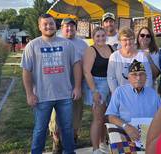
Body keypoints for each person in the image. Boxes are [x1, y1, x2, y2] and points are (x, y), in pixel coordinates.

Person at [20, 14, 79, 154]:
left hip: (65, 95)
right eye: (45, 24)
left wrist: (77, 87)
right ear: (39, 26)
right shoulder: (33, 45)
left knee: (67, 128)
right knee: (40, 130)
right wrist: (29, 94)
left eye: (51, 23)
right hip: (41, 96)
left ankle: (69, 152)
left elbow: (76, 65)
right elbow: (26, 71)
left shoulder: (67, 44)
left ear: (55, 25)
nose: (49, 26)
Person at [48, 18, 88, 153]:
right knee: (56, 118)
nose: (69, 29)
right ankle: (57, 142)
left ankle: (72, 140)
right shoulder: (54, 41)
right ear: (62, 28)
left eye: (72, 27)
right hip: (57, 88)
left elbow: (87, 65)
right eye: (66, 27)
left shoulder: (83, 44)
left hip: (77, 86)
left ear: (75, 28)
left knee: (75, 117)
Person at [106, 59, 161, 142]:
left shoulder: (153, 93)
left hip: (150, 135)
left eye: (141, 74)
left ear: (146, 77)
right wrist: (126, 126)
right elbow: (111, 116)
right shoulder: (120, 92)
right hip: (126, 134)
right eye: (134, 74)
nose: (138, 77)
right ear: (128, 77)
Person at [83, 27, 114, 154]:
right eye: (97, 36)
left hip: (110, 83)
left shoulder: (111, 48)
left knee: (107, 118)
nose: (100, 38)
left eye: (102, 35)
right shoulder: (91, 50)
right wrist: (94, 91)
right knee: (98, 118)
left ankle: (103, 143)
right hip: (98, 84)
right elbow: (86, 71)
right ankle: (95, 149)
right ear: (93, 37)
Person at [107, 27, 153, 93]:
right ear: (119, 41)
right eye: (125, 40)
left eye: (130, 39)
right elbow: (111, 78)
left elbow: (148, 77)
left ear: (134, 40)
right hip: (120, 96)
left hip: (139, 96)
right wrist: (116, 94)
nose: (128, 42)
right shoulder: (114, 56)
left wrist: (144, 94)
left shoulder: (141, 56)